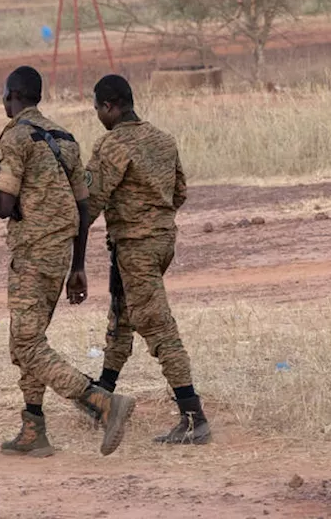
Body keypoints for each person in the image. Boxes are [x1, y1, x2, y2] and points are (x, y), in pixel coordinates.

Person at [0, 66, 136, 457]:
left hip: (33, 253)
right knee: (26, 339)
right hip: (59, 254)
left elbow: (4, 205)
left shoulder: (16, 136)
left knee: (26, 341)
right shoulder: (64, 138)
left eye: (4, 95)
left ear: (13, 96)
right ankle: (32, 427)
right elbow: (83, 205)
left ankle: (99, 402)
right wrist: (78, 265)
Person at [81, 74, 210, 445]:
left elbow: (93, 202)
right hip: (162, 242)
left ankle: (193, 416)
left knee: (156, 326)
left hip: (134, 247)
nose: (97, 116)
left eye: (97, 109)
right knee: (123, 315)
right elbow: (180, 191)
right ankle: (102, 394)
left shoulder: (111, 145)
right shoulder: (163, 140)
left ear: (109, 106)